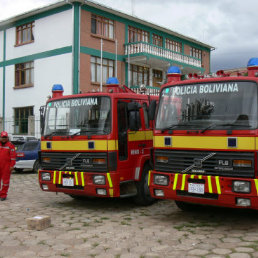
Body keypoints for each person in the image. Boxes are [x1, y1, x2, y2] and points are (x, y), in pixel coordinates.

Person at [0, 131, 16, 201]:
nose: (3, 139)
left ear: (7, 138)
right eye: (2, 137)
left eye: (5, 137)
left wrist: (12, 165)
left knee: (5, 182)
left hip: (6, 166)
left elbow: (13, 156)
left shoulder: (10, 145)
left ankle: (3, 195)